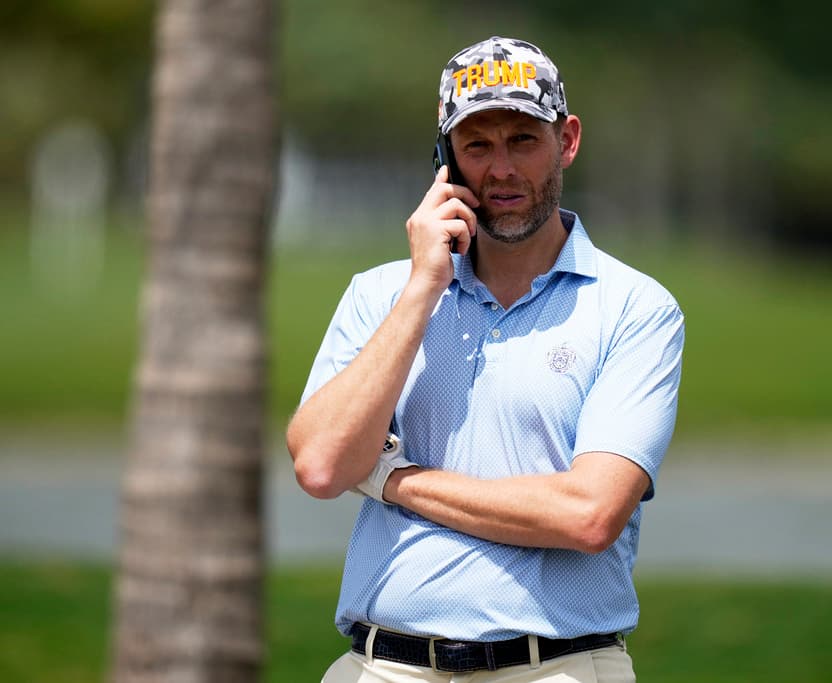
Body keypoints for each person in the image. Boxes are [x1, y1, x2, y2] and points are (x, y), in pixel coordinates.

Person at [287, 35, 685, 683]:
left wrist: (391, 478)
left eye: (523, 140)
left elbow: (589, 514)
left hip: (557, 666)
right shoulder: (381, 294)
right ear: (445, 161)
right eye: (477, 146)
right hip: (380, 664)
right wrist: (423, 286)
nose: (501, 169)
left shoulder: (636, 308)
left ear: (567, 141)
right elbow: (322, 463)